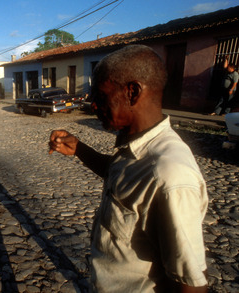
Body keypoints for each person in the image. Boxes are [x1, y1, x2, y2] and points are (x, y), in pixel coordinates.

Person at [49, 45, 208, 292]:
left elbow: (189, 284)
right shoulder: (135, 145)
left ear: (132, 92)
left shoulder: (170, 175)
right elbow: (121, 176)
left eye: (101, 96)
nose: (93, 105)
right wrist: (80, 149)